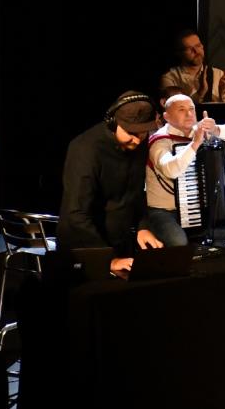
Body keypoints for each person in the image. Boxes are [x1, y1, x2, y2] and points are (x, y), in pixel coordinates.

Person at [58, 92, 165, 278]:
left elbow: (137, 192)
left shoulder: (140, 144)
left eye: (142, 133)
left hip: (120, 242)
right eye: (131, 133)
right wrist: (108, 259)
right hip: (84, 247)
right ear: (113, 123)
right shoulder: (85, 149)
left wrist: (143, 226)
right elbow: (76, 214)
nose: (137, 140)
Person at [145, 94, 225, 247]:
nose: (189, 114)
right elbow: (171, 170)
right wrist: (195, 143)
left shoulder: (199, 131)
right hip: (165, 211)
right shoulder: (160, 141)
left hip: (198, 207)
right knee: (178, 243)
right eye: (181, 110)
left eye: (191, 109)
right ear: (167, 117)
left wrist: (216, 129)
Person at [160, 30, 225, 104]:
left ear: (202, 46)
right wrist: (200, 93)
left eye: (198, 46)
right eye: (189, 48)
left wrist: (222, 91)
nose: (196, 51)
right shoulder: (170, 78)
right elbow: (173, 108)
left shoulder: (218, 74)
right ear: (179, 53)